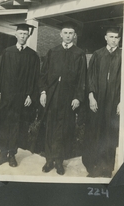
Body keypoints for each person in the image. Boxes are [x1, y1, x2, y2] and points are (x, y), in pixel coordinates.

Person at [39, 22, 87, 175]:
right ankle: (49, 159)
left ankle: (59, 161)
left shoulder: (79, 54)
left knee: (64, 127)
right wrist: (43, 92)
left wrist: (78, 97)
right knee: (50, 127)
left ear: (74, 35)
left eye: (70, 33)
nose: (67, 36)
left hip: (68, 96)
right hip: (52, 94)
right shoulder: (53, 52)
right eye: (65, 33)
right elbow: (43, 75)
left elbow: (82, 78)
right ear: (60, 34)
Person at [0, 23, 40, 167]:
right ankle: (2, 154)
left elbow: (35, 78)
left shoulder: (33, 56)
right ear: (16, 35)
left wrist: (30, 95)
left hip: (22, 97)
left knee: (17, 125)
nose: (22, 36)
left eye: (25, 34)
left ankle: (12, 154)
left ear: (28, 36)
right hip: (7, 96)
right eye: (20, 33)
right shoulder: (7, 52)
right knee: (4, 123)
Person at [82, 27, 122, 178]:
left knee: (110, 134)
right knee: (95, 133)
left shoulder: (123, 55)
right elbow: (90, 77)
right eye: (111, 37)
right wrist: (91, 97)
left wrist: (121, 101)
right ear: (105, 38)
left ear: (119, 39)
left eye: (116, 37)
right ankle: (93, 166)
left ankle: (106, 168)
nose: (113, 40)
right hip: (97, 101)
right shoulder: (98, 55)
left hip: (113, 102)